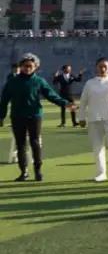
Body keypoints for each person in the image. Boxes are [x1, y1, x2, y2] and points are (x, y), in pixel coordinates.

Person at [0, 53, 77, 181]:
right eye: (25, 66)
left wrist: (65, 103)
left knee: (35, 142)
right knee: (20, 144)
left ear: (35, 67)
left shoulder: (39, 81)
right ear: (21, 66)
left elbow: (51, 95)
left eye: (30, 66)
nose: (27, 68)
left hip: (35, 115)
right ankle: (24, 172)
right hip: (17, 116)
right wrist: (1, 116)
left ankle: (38, 171)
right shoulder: (12, 81)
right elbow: (4, 99)